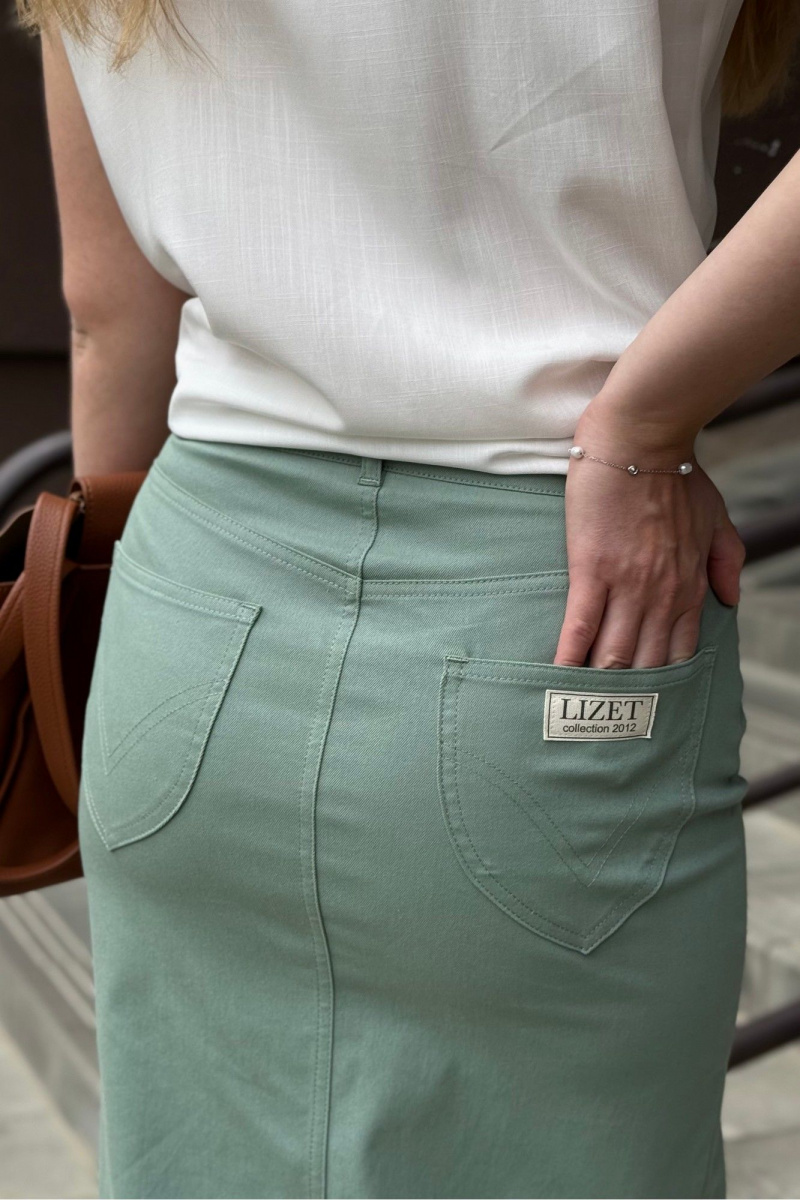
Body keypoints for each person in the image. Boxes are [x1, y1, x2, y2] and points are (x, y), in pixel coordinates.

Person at [18, 0, 800, 1193]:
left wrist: (113, 626)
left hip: (191, 611)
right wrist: (645, 425)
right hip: (558, 602)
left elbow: (109, 312)